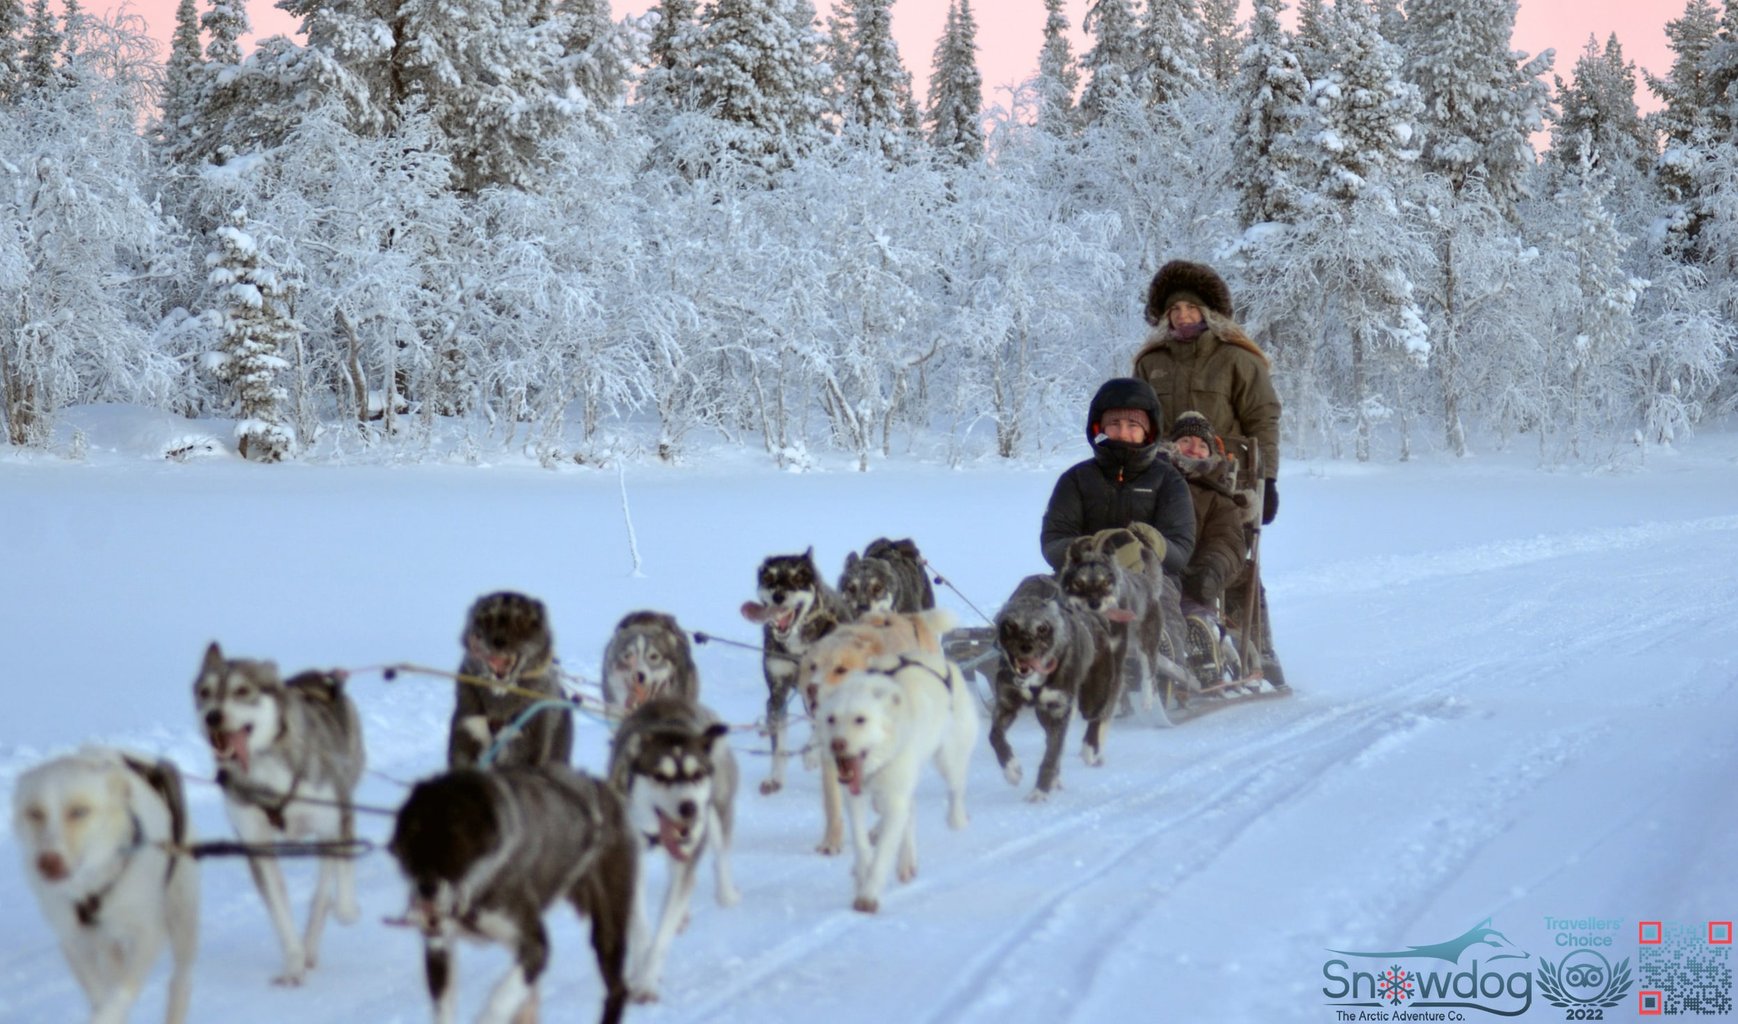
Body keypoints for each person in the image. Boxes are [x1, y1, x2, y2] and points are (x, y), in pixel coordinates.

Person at [1133, 261, 1287, 687]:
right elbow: (1137, 422)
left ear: (1208, 312)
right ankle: (1163, 640)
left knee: (1230, 561)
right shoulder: (1152, 362)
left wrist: (1267, 481)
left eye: (1190, 307)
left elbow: (1263, 419)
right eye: (1174, 309)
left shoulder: (1237, 359)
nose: (1182, 316)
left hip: (1227, 484)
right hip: (1165, 482)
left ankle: (1259, 649)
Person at [1039, 377, 1195, 675]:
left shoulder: (1169, 481)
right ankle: (1009, 644)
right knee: (1036, 587)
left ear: (1149, 431)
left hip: (1148, 580)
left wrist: (1155, 545)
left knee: (1161, 602)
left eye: (1133, 425)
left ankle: (1166, 658)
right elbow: (1053, 539)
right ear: (1099, 428)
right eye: (1115, 423)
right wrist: (1086, 549)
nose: (1123, 432)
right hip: (1083, 578)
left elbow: (1182, 548)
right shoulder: (1076, 479)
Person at [1165, 411, 1253, 681]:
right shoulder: (1155, 481)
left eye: (1202, 445)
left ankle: (1206, 645)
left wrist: (1211, 569)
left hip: (1194, 572)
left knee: (1193, 608)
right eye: (1186, 441)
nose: (1194, 449)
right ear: (1171, 446)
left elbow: (1227, 541)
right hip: (1156, 569)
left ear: (1211, 454)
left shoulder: (1218, 498)